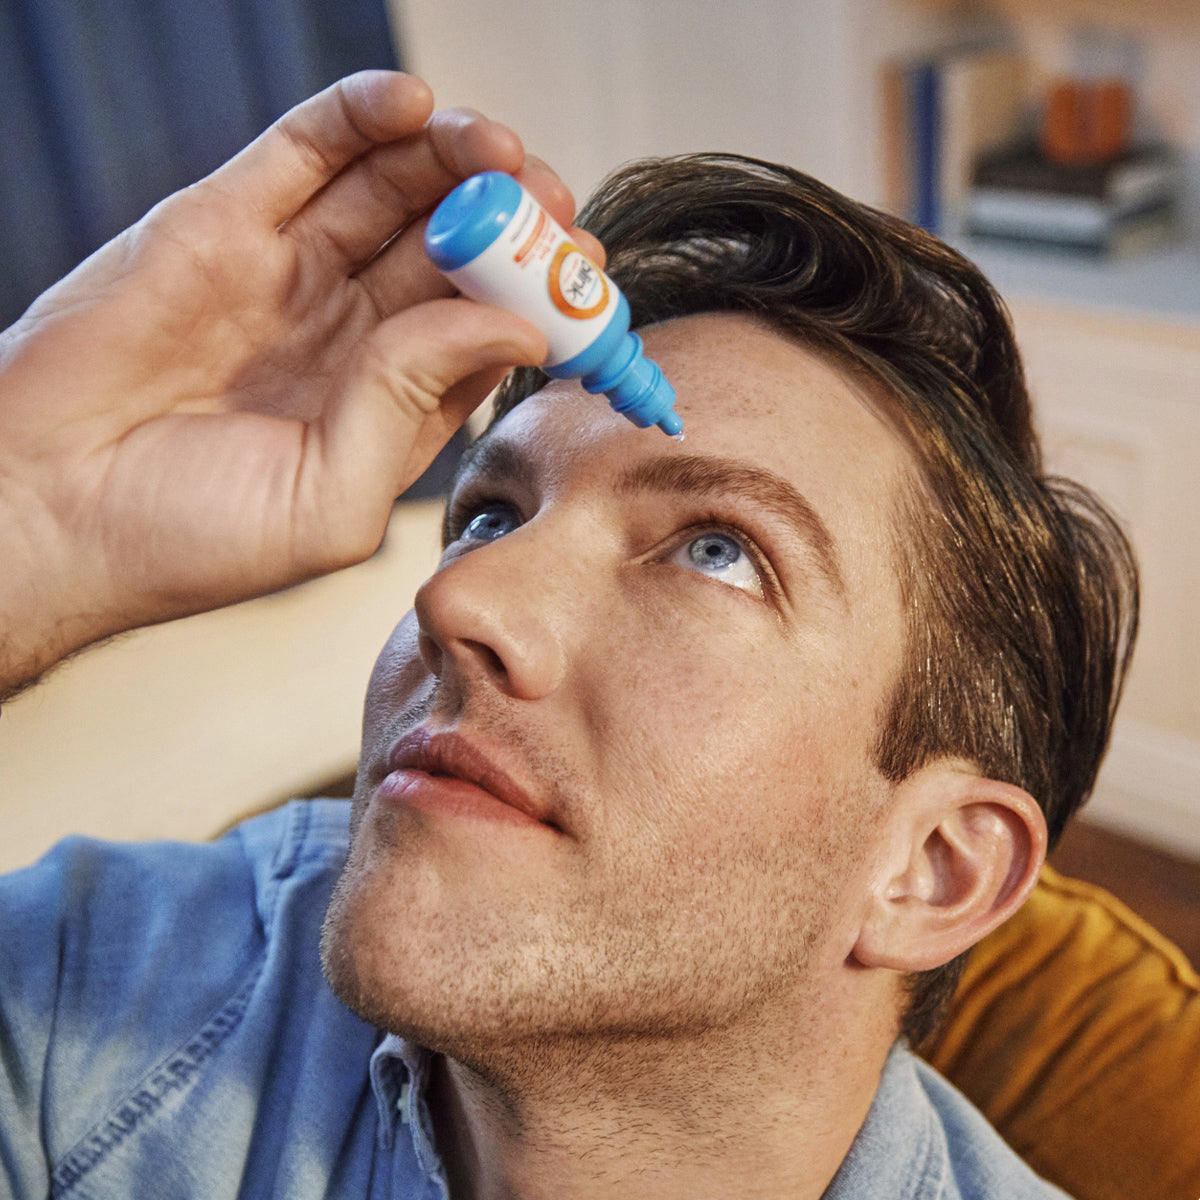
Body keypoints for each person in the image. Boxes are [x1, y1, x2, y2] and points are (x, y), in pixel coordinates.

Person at [0, 72, 1136, 1200]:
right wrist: (29, 525)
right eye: (492, 515)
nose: (463, 602)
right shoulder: (107, 997)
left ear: (932, 872)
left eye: (717, 549)